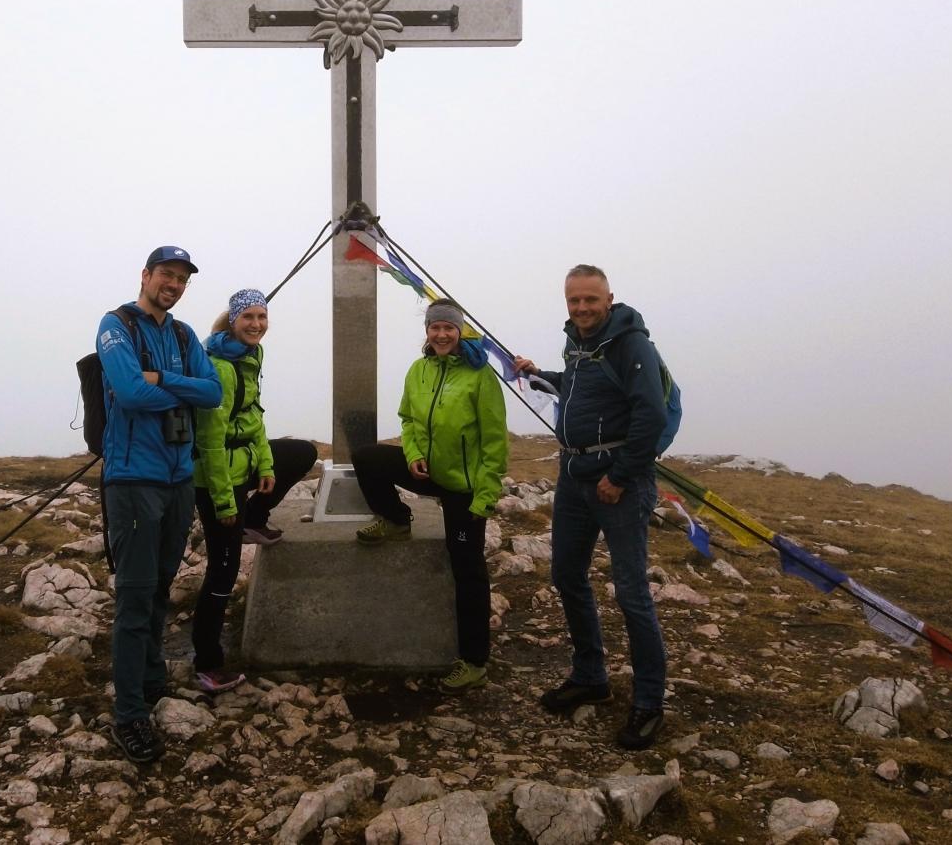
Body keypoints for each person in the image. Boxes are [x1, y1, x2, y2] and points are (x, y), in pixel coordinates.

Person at [512, 264, 669, 750]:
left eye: (590, 300)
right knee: (566, 575)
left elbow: (651, 414)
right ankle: (590, 676)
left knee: (631, 593)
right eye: (574, 301)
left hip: (617, 484)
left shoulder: (630, 343)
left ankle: (648, 702)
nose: (582, 308)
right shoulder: (578, 343)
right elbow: (581, 389)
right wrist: (540, 375)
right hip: (575, 477)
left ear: (609, 299)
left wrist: (619, 477)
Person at [96, 245, 222, 764]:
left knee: (160, 590)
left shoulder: (183, 334)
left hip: (177, 481)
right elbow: (127, 392)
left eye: (181, 279)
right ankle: (129, 714)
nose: (172, 284)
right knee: (134, 597)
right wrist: (177, 389)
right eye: (165, 275)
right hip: (133, 482)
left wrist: (163, 381)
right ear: (145, 275)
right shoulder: (115, 325)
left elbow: (212, 392)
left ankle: (151, 681)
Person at [352, 300, 507, 694]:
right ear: (427, 331)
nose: (441, 334)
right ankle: (396, 520)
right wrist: (414, 453)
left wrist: (483, 499)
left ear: (460, 331)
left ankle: (473, 661)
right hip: (427, 470)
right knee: (367, 458)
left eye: (448, 328)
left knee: (467, 568)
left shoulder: (479, 375)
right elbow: (408, 419)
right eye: (434, 327)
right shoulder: (419, 370)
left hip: (464, 487)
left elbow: (494, 443)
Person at [190, 288, 319, 693]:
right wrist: (227, 504)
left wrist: (265, 465)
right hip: (214, 480)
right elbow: (210, 441)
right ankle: (206, 664)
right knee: (223, 570)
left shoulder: (250, 356)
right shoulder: (219, 367)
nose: (257, 325)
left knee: (300, 453)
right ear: (232, 319)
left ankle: (253, 521)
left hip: (243, 465)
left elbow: (254, 416)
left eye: (262, 317)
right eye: (249, 317)